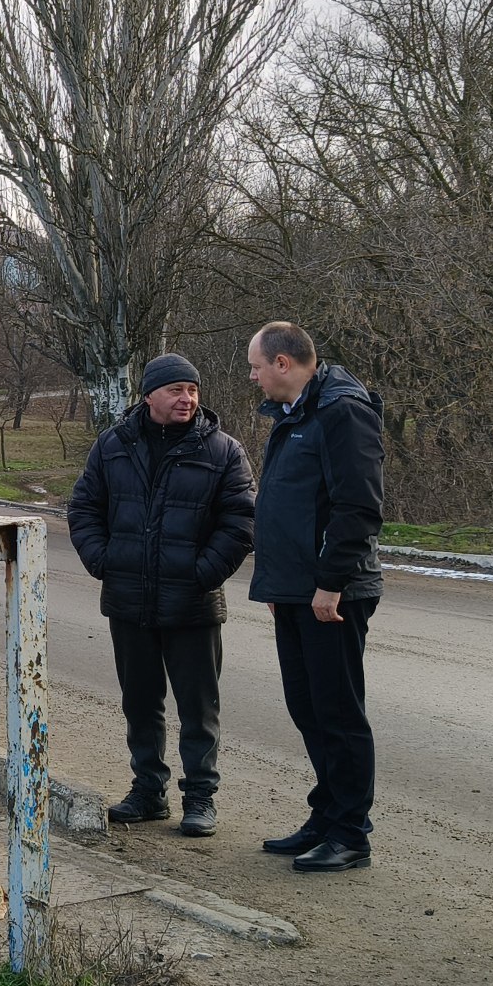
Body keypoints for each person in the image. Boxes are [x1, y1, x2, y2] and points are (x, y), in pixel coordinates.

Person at [67, 352, 256, 837]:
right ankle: (148, 792)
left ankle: (200, 798)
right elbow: (84, 507)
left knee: (198, 709)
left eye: (192, 390)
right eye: (176, 390)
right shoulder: (112, 446)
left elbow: (241, 521)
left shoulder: (224, 451)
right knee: (140, 703)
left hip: (193, 603)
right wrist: (105, 561)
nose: (187, 399)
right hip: (129, 601)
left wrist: (203, 572)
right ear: (149, 395)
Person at [244, 321, 385, 873]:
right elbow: (292, 503)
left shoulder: (342, 411)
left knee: (338, 712)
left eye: (256, 366)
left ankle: (350, 833)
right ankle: (325, 816)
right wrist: (281, 585)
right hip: (296, 590)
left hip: (333, 592)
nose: (253, 377)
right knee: (308, 709)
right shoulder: (295, 412)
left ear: (282, 363)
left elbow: (358, 507)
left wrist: (331, 583)